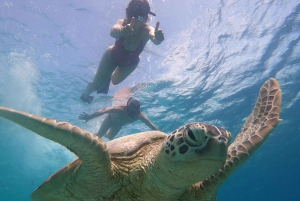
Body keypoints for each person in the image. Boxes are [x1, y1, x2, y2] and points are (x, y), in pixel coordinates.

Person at [80, 0, 164, 103]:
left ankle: (107, 76)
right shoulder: (122, 23)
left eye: (141, 10)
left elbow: (154, 37)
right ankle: (84, 96)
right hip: (112, 56)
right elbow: (113, 31)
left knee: (115, 81)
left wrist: (158, 38)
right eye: (135, 9)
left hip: (130, 63)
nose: (137, 17)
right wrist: (121, 30)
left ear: (146, 15)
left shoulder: (147, 29)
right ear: (128, 13)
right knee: (98, 84)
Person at [78, 97, 159, 140]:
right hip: (110, 120)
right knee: (99, 135)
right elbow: (104, 111)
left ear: (137, 110)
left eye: (135, 111)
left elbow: (150, 124)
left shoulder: (139, 116)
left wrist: (159, 134)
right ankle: (85, 139)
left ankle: (102, 131)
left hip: (118, 125)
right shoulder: (120, 109)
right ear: (128, 107)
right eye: (131, 110)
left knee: (109, 137)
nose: (132, 112)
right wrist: (90, 116)